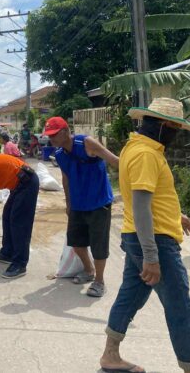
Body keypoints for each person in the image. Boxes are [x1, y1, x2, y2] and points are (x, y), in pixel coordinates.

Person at [100, 98, 190, 373]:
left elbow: (149, 197)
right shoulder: (146, 154)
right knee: (180, 307)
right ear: (163, 124)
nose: (176, 134)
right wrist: (151, 256)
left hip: (138, 235)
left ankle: (110, 355)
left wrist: (176, 215)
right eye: (175, 128)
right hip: (154, 240)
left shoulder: (135, 147)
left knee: (131, 295)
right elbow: (141, 205)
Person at [43, 116, 119, 298]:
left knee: (99, 245)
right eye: (49, 135)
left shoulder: (86, 143)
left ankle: (99, 281)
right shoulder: (60, 155)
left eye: (54, 135)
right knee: (76, 243)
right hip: (78, 204)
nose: (51, 139)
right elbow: (66, 179)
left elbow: (114, 160)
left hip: (99, 202)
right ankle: (89, 270)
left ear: (65, 131)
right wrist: (68, 204)